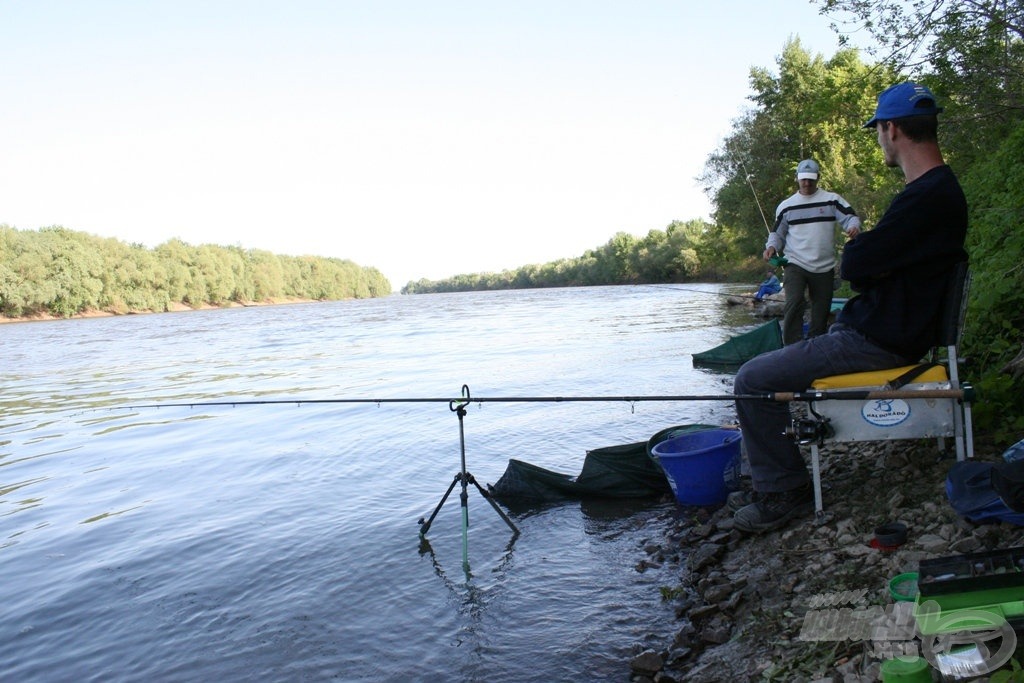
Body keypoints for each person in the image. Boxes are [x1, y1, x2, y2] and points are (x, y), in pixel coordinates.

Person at [730, 82, 969, 534]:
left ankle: (783, 489)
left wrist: (869, 264)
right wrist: (871, 264)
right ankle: (769, 476)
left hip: (877, 342)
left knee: (752, 378)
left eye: (878, 130)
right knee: (769, 366)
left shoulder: (927, 196)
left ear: (892, 129)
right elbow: (867, 263)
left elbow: (857, 261)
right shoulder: (935, 192)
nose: (879, 139)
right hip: (877, 330)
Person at [765, 159, 862, 345]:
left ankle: (815, 346)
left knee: (821, 310)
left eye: (811, 179)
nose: (807, 183)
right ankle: (792, 347)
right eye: (803, 179)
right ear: (797, 179)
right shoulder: (786, 206)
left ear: (817, 178)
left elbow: (850, 217)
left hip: (824, 266)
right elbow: (777, 233)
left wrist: (853, 227)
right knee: (794, 301)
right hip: (795, 263)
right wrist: (771, 247)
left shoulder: (832, 200)